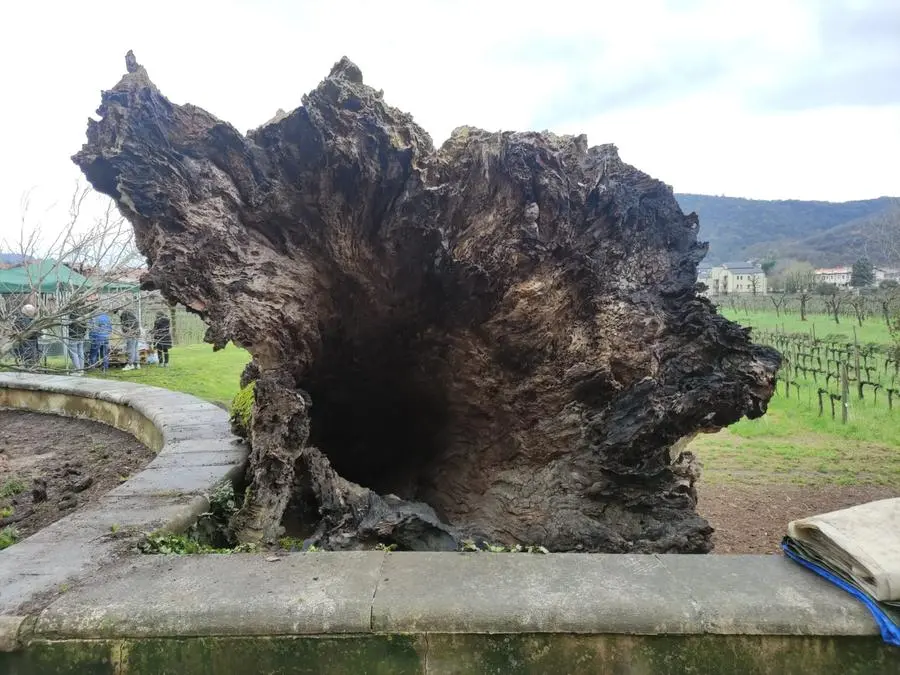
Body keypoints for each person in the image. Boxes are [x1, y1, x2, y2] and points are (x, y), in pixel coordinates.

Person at [13, 304, 40, 368]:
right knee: (30, 363)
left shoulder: (17, 320)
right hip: (30, 345)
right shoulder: (32, 321)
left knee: (24, 361)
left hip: (22, 346)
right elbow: (37, 333)